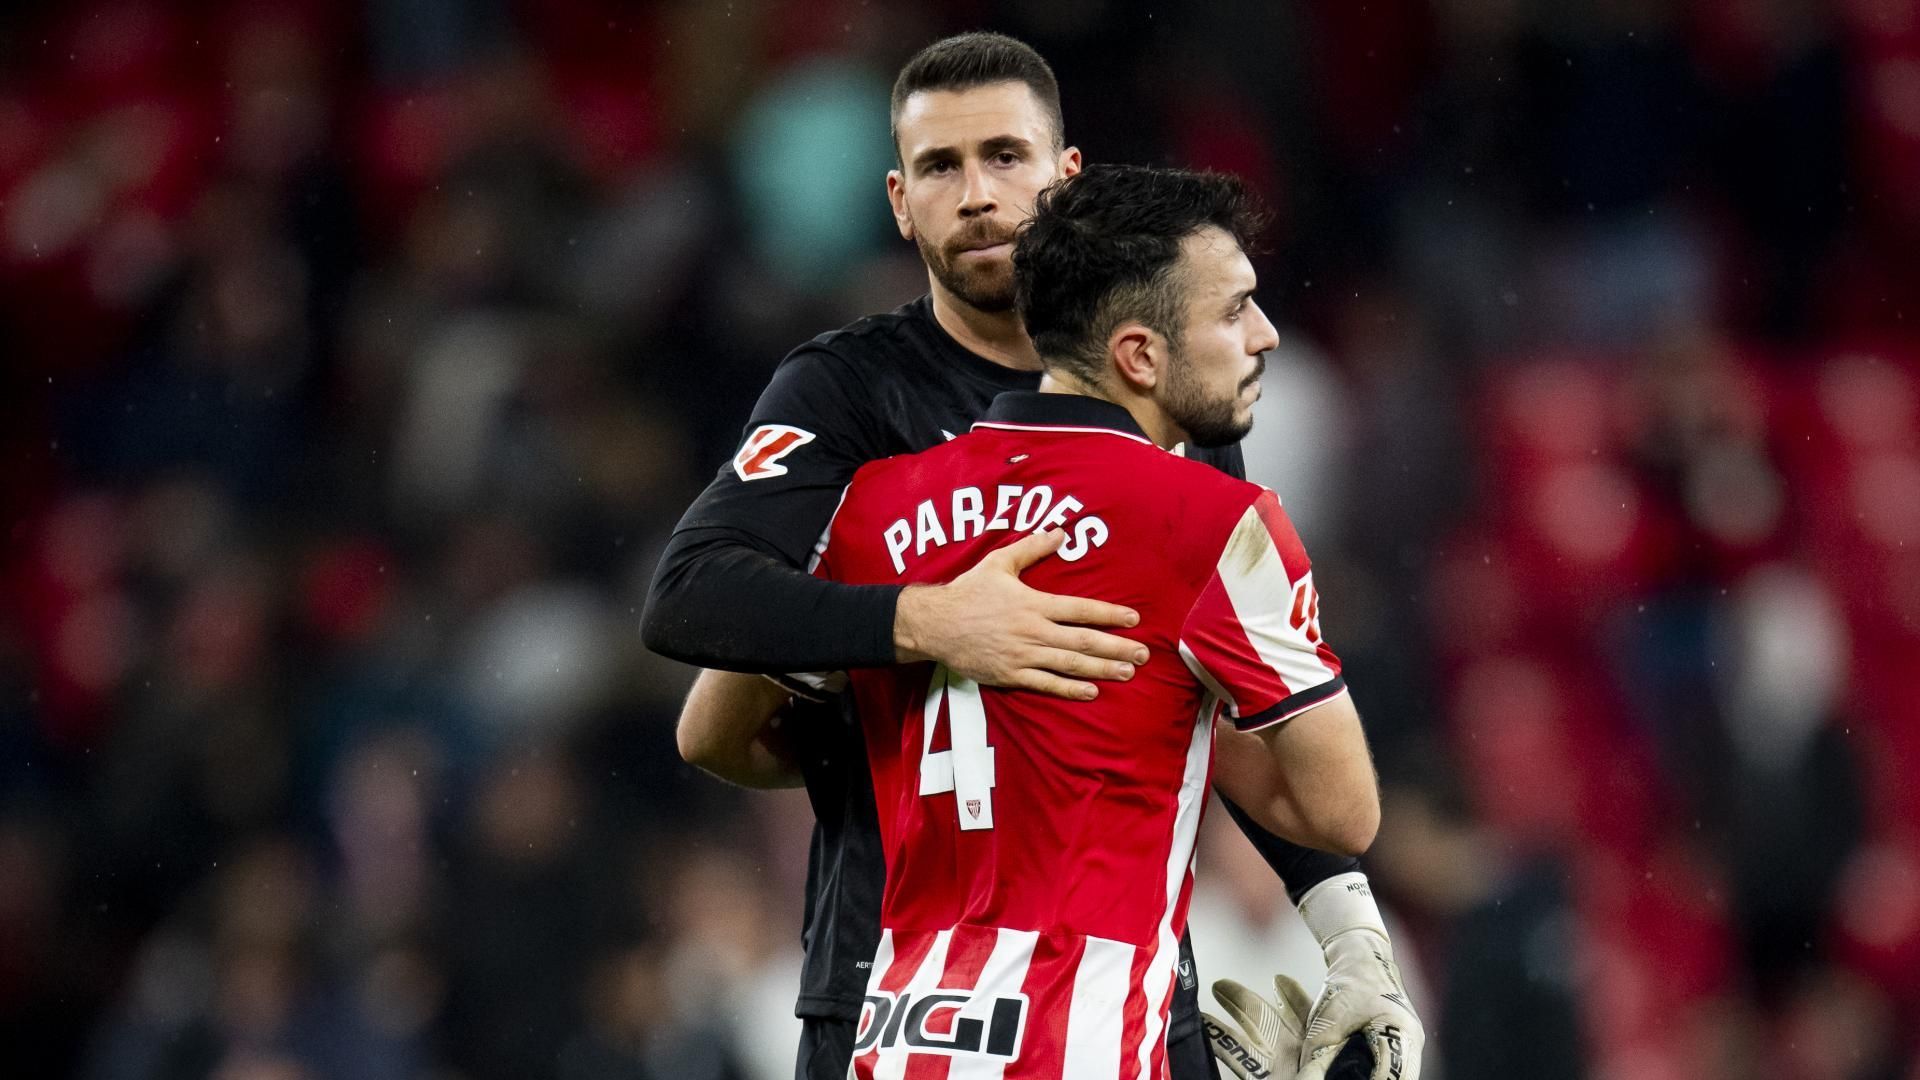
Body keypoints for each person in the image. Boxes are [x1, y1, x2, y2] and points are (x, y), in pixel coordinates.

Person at [643, 32, 1424, 1080]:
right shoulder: (847, 396)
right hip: (894, 965)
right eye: (940, 167)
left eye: (1004, 156)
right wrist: (923, 627)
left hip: (1110, 982)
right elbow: (694, 613)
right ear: (897, 200)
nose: (975, 195)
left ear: (1066, 178)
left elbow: (1213, 701)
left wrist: (1344, 930)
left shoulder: (1168, 404)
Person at [811, 162, 1378, 1079]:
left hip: (901, 1036)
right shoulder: (1214, 522)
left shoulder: (875, 505)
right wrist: (1179, 702)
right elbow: (1340, 812)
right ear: (1141, 357)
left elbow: (717, 735)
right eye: (1234, 311)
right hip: (1077, 1041)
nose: (1266, 336)